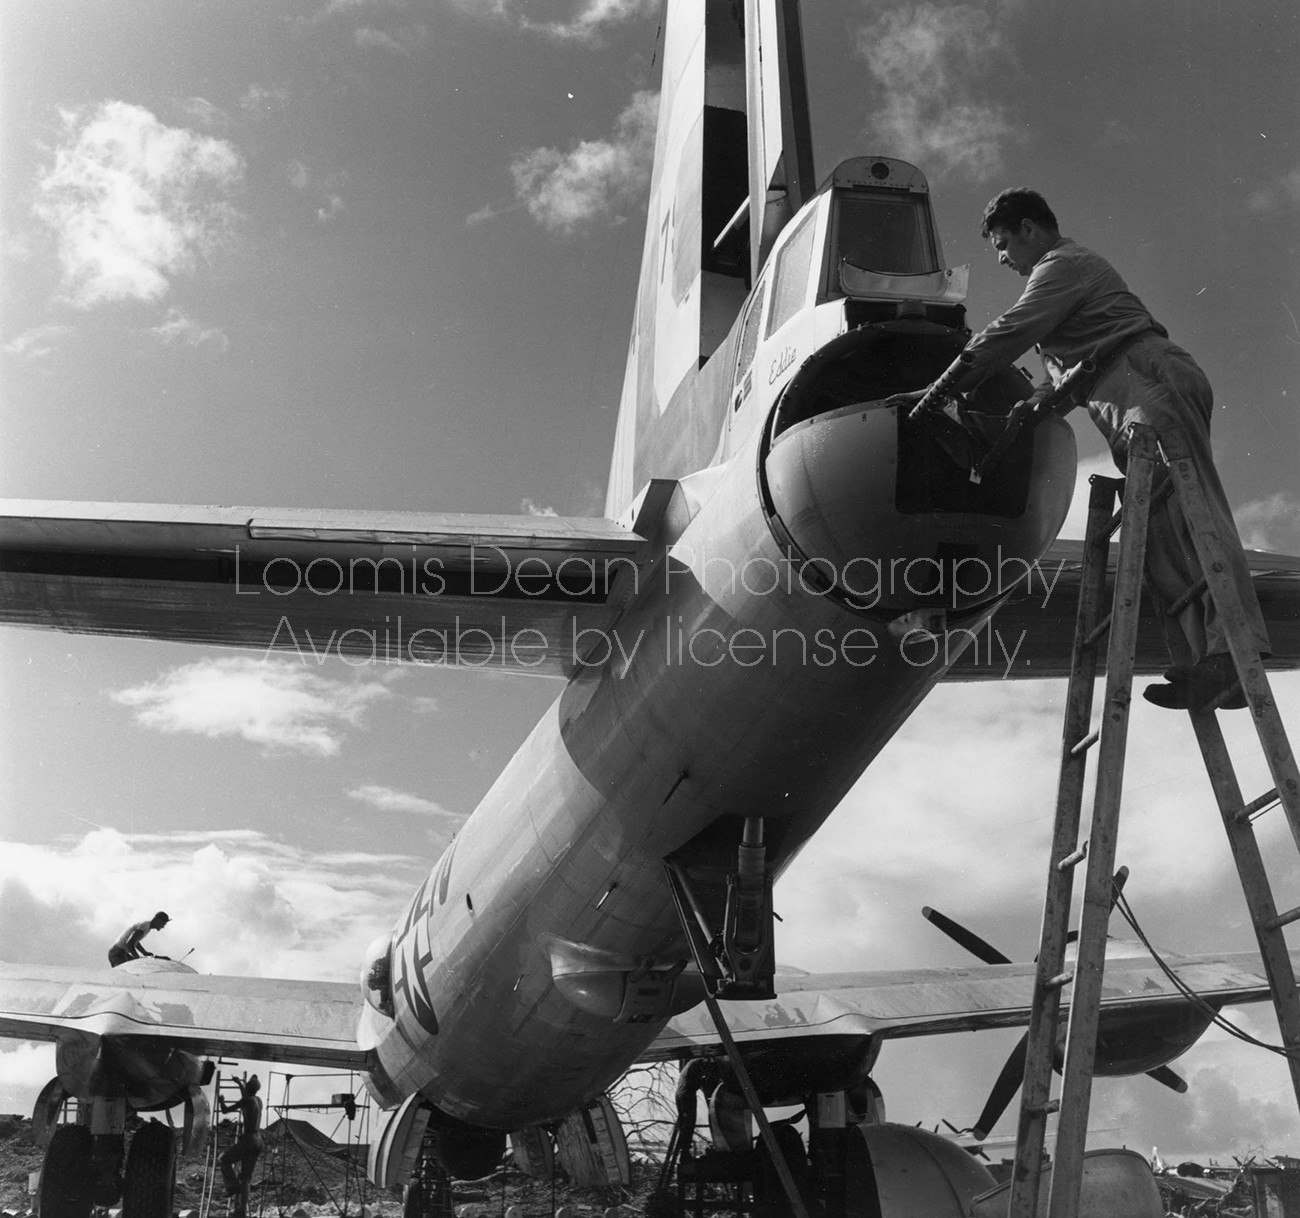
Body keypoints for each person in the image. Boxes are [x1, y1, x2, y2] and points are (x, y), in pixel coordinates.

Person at [894, 187, 1269, 710]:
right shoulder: (1061, 290)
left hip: (1143, 377)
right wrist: (1014, 418)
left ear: (1030, 230)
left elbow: (1011, 330)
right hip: (1115, 399)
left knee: (1192, 511)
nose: (1002, 258)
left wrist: (941, 390)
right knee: (1159, 535)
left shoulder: (1062, 265)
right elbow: (1059, 385)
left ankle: (1233, 653)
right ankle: (1204, 665)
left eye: (1003, 244)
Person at [219, 1074, 264, 1216]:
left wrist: (221, 1101)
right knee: (246, 1178)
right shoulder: (258, 1100)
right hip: (258, 1141)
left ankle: (233, 1188)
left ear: (248, 1088)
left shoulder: (246, 1101)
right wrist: (239, 1083)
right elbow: (246, 1095)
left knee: (223, 1159)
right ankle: (241, 1211)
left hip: (249, 1140)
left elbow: (225, 1110)